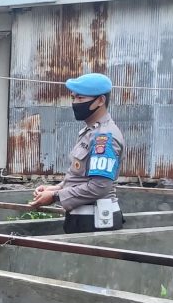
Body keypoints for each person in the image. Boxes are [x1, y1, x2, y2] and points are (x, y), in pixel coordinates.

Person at [31, 73, 125, 233]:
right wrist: (53, 189)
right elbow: (81, 178)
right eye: (73, 98)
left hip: (96, 222)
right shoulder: (89, 132)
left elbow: (99, 187)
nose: (75, 103)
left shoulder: (104, 137)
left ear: (101, 101)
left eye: (81, 98)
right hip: (83, 220)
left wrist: (55, 197)